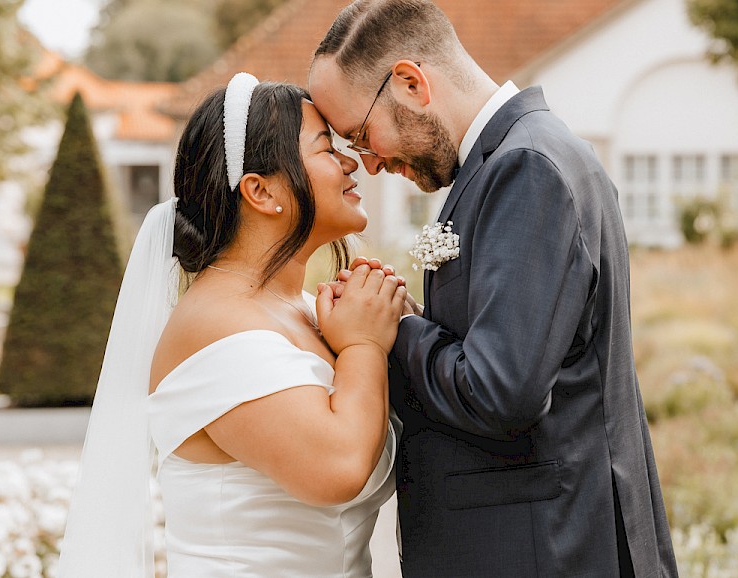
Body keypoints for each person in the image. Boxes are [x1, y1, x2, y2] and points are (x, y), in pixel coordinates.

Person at [307, 1, 679, 576]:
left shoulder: (526, 167)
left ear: (410, 82)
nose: (369, 163)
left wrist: (391, 328)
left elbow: (500, 391)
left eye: (360, 134)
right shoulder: (512, 160)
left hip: (543, 551)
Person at [56, 73, 407, 577]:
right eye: (326, 148)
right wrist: (365, 346)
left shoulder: (308, 311)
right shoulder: (215, 324)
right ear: (260, 191)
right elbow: (338, 468)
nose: (351, 162)